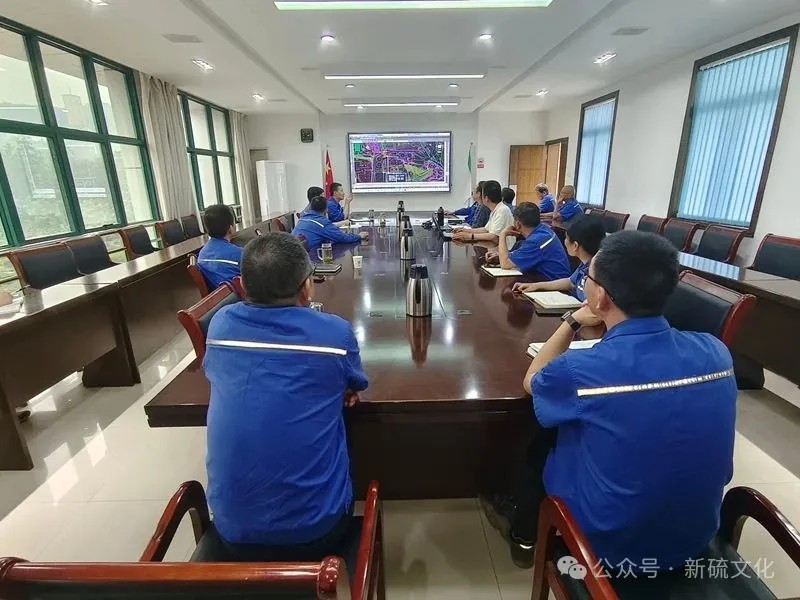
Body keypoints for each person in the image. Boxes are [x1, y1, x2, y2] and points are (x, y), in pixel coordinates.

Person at [481, 231, 736, 572]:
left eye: (587, 278)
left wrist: (571, 321)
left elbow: (532, 381)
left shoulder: (578, 370)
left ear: (600, 296)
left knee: (541, 438)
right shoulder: (716, 353)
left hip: (608, 545)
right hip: (697, 535)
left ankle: (524, 530)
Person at [203, 232, 369, 565]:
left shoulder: (219, 326)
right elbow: (356, 383)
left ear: (242, 286)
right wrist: (336, 386)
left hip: (232, 533)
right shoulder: (335, 333)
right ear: (307, 287)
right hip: (317, 533)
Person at [513, 214, 606, 301]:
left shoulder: (596, 273)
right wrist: (536, 286)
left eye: (566, 238)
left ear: (575, 245)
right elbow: (570, 282)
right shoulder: (586, 263)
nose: (564, 242)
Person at [485, 202, 571, 280]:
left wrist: (502, 234)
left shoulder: (536, 240)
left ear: (517, 224)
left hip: (556, 287)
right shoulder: (543, 229)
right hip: (546, 280)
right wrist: (503, 255)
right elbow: (527, 253)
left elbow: (505, 264)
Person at [292, 196, 367, 248]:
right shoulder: (321, 222)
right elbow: (342, 237)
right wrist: (359, 236)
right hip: (311, 258)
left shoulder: (302, 218)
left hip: (295, 256)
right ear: (326, 209)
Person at [197, 204, 243, 289]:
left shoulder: (202, 254)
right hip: (238, 295)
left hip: (220, 295)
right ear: (231, 228)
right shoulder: (240, 253)